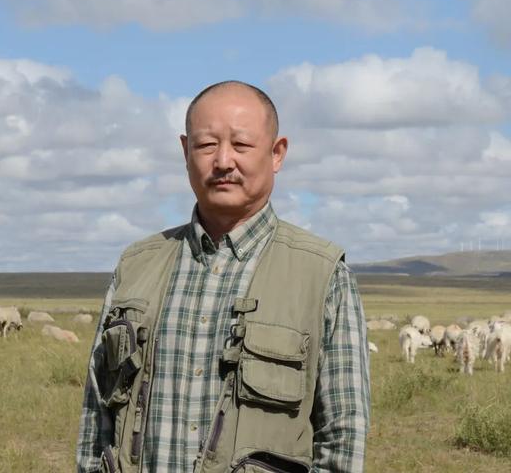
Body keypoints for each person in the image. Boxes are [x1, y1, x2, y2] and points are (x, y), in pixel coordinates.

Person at [77, 80, 370, 472]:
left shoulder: (323, 275)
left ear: (277, 153)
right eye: (206, 145)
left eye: (242, 145)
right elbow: (96, 420)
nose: (223, 161)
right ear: (185, 152)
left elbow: (343, 438)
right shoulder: (135, 267)